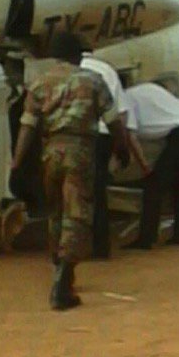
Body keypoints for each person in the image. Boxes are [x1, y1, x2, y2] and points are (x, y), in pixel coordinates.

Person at [10, 32, 129, 310]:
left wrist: (16, 163)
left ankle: (59, 267)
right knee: (77, 214)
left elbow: (27, 126)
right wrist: (121, 149)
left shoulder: (40, 84)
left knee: (57, 212)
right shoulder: (92, 82)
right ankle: (63, 279)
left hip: (50, 151)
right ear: (78, 55)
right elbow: (114, 122)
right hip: (80, 150)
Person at [123, 82, 179, 250]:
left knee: (154, 186)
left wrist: (144, 167)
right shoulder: (146, 88)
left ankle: (146, 238)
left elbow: (131, 138)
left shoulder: (125, 101)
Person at [79, 47, 130, 259]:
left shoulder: (66, 71)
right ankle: (100, 246)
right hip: (103, 135)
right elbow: (121, 114)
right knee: (98, 191)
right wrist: (120, 147)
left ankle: (69, 246)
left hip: (77, 134)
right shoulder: (106, 70)